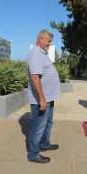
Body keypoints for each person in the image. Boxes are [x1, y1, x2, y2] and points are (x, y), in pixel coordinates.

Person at [27, 29, 60, 163]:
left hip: (49, 98)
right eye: (48, 41)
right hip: (41, 99)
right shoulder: (35, 53)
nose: (49, 43)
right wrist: (41, 99)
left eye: (50, 41)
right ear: (40, 39)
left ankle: (44, 144)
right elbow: (35, 77)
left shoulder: (42, 53)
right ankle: (33, 154)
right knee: (38, 126)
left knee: (48, 123)